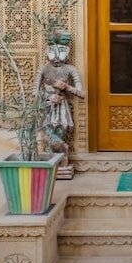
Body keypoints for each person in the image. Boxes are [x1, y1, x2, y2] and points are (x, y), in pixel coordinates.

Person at [33, 30, 85, 168]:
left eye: (61, 51)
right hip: (47, 107)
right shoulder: (43, 69)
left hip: (62, 109)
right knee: (48, 135)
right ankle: (58, 157)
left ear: (66, 51)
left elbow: (81, 93)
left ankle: (61, 161)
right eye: (52, 51)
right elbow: (34, 92)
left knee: (59, 133)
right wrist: (48, 96)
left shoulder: (70, 69)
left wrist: (66, 87)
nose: (56, 56)